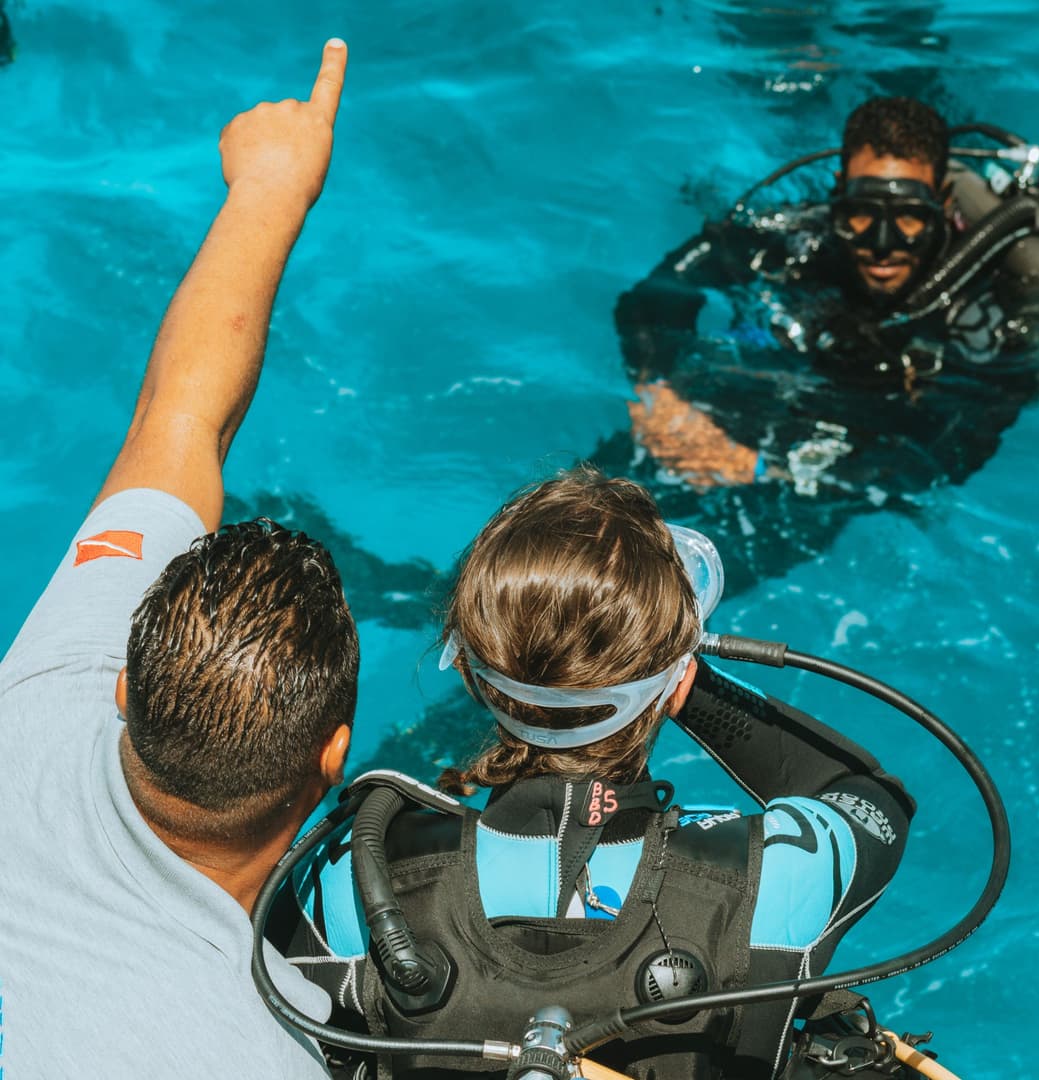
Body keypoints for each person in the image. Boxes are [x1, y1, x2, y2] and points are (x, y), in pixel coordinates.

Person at [274, 467, 915, 1080]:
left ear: (469, 675)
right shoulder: (772, 877)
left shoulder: (352, 871)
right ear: (675, 682)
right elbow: (867, 796)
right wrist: (686, 682)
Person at [0, 41, 355, 1078]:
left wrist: (268, 186)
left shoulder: (41, 698)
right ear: (330, 758)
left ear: (123, 686)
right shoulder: (266, 1046)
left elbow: (177, 422)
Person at [604, 97, 1039, 591]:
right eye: (861, 215)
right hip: (778, 396)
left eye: (909, 218)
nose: (881, 243)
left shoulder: (985, 309)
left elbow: (948, 456)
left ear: (945, 201)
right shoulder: (806, 240)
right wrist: (656, 389)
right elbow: (654, 299)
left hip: (864, 441)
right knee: (580, 518)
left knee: (676, 595)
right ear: (837, 196)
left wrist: (769, 468)